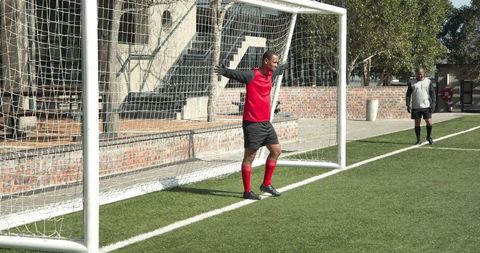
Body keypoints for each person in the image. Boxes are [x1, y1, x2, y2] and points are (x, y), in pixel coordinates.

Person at [214, 51, 288, 200]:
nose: (276, 65)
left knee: (276, 151)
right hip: (252, 124)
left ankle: (266, 184)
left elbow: (280, 69)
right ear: (266, 61)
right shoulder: (251, 75)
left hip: (266, 123)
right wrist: (224, 71)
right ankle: (247, 191)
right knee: (249, 158)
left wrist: (285, 66)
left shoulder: (271, 74)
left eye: (277, 63)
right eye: (274, 62)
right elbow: (236, 74)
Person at [406, 67, 436, 145]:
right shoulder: (412, 82)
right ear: (416, 74)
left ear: (424, 73)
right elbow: (408, 94)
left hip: (426, 106)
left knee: (429, 122)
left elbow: (432, 94)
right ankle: (418, 139)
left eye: (421, 73)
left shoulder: (428, 82)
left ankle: (428, 136)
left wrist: (433, 104)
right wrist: (408, 105)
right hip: (416, 107)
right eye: (418, 74)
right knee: (417, 123)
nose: (419, 75)